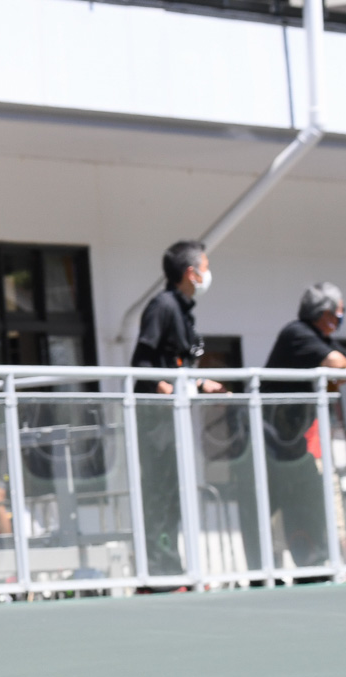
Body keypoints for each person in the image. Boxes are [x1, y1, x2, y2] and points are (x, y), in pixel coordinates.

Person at [251, 281, 346, 573]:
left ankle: (312, 568)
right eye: (339, 314)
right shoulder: (298, 334)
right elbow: (339, 366)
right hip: (269, 441)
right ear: (325, 313)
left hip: (292, 443)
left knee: (305, 506)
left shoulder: (321, 339)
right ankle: (265, 574)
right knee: (268, 513)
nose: (340, 321)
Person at [129, 240, 226, 582]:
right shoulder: (162, 306)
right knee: (160, 495)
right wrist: (164, 387)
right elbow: (142, 363)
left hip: (175, 423)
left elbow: (177, 364)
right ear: (191, 272)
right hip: (157, 424)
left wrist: (200, 384)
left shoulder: (183, 309)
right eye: (205, 265)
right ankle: (160, 573)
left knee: (174, 495)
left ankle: (173, 569)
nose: (207, 273)